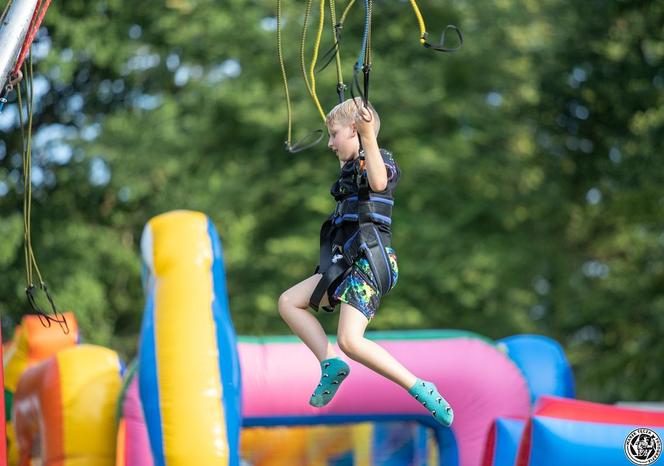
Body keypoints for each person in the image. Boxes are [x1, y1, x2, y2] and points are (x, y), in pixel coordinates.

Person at [278, 97, 453, 427]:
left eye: (334, 134)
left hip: (370, 262)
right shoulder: (350, 170)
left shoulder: (380, 159)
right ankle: (330, 363)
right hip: (346, 264)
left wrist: (369, 138)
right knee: (289, 302)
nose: (329, 143)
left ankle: (419, 387)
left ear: (356, 130)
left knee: (350, 340)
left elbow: (378, 182)